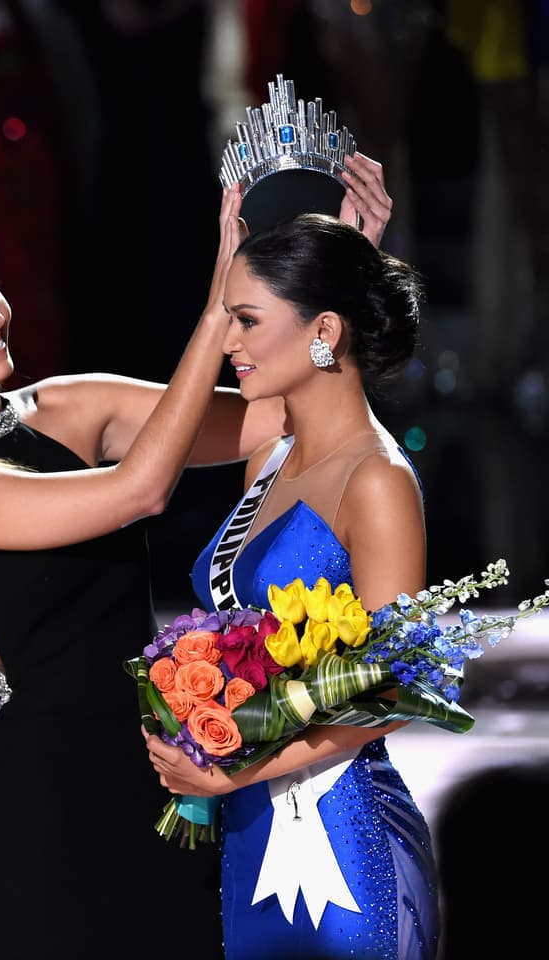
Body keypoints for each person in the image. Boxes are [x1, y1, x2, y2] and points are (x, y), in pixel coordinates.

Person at [0, 148, 388, 958]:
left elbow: (279, 419)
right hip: (51, 823)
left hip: (168, 789)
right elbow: (139, 491)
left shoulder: (65, 408)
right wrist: (217, 307)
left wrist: (338, 290)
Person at [145, 212, 440, 958]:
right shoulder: (271, 460)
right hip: (250, 828)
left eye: (245, 320)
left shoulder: (376, 481)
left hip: (345, 844)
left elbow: (397, 693)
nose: (229, 341)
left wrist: (238, 763)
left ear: (324, 331)